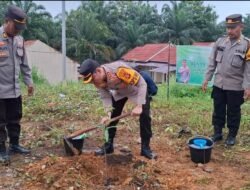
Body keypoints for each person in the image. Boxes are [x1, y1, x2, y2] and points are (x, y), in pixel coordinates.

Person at [79, 59, 157, 159]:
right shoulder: (98, 80)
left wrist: (139, 106)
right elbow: (105, 97)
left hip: (136, 90)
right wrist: (107, 115)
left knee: (145, 117)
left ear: (98, 71)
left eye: (93, 80)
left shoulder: (120, 70)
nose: (93, 83)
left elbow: (142, 84)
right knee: (112, 117)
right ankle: (108, 146)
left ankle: (145, 148)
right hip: (119, 93)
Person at [202, 14, 250, 146]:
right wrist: (207, 78)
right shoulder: (220, 42)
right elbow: (212, 62)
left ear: (241, 27)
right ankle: (217, 133)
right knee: (218, 109)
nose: (229, 31)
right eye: (227, 28)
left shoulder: (247, 45)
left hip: (235, 86)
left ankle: (231, 135)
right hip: (219, 83)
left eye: (233, 28)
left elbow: (248, 69)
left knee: (233, 111)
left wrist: (247, 87)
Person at [0, 5, 34, 164]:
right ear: (6, 21)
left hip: (15, 90)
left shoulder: (20, 40)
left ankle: (14, 145)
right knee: (0, 122)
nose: (18, 30)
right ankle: (1, 149)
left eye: (21, 27)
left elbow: (24, 64)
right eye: (16, 26)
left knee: (15, 119)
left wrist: (29, 82)